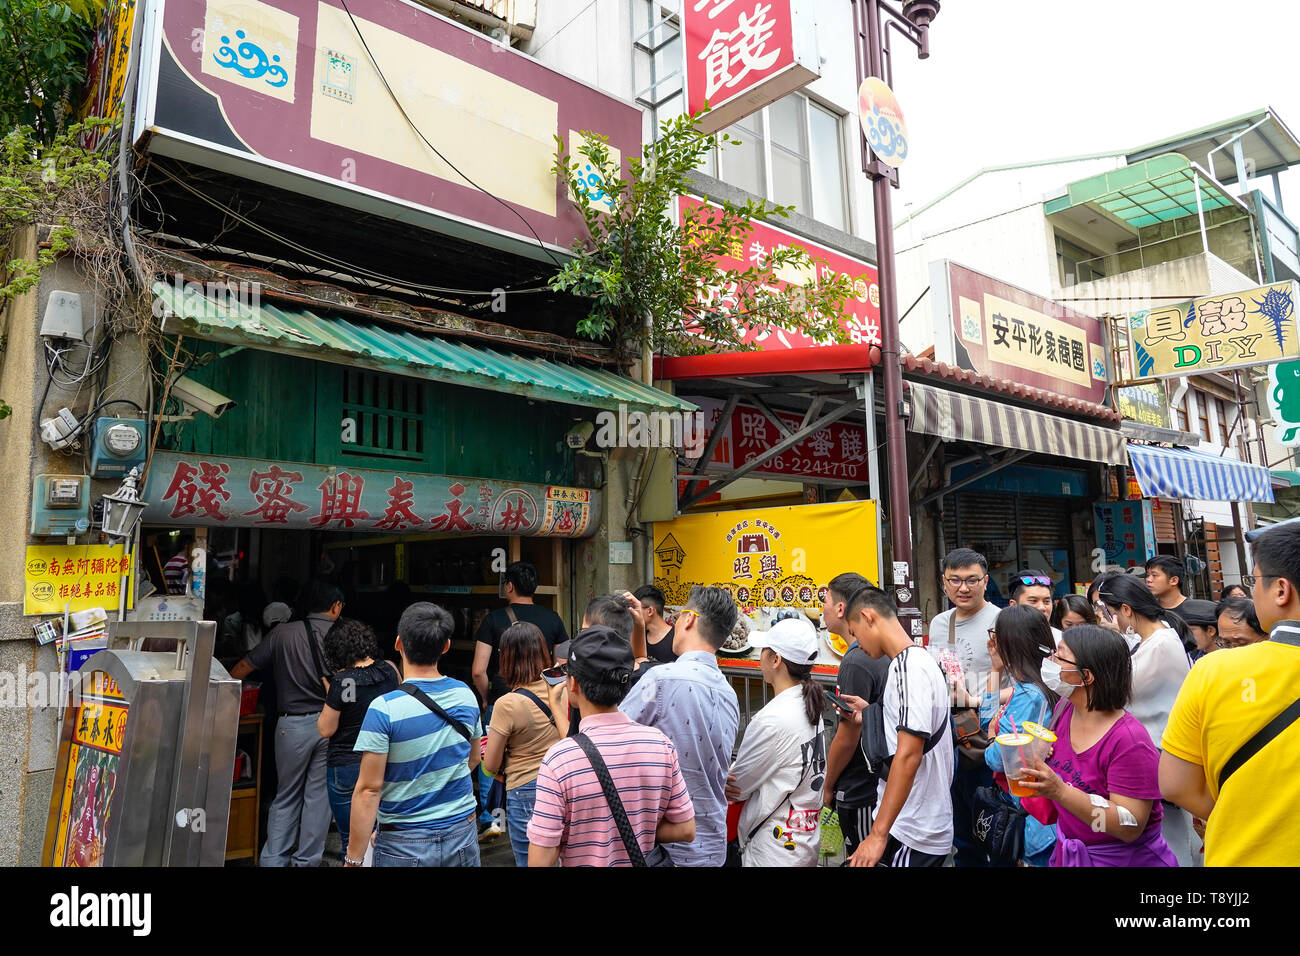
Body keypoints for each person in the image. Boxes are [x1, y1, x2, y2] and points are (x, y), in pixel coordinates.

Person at [1160, 522, 1300, 867]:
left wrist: (1247, 813)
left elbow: (1176, 784)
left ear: (1281, 590)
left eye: (1255, 581)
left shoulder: (1214, 671)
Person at [527, 626, 695, 866]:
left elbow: (540, 861)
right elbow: (685, 829)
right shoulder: (660, 745)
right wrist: (638, 828)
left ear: (572, 683)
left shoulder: (559, 760)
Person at [1018, 626, 1178, 866]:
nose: (1049, 660)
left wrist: (1060, 791)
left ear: (1086, 676)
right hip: (1069, 851)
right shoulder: (1064, 708)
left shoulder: (1128, 741)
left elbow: (1129, 826)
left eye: (1058, 656)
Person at [347, 602, 483, 867]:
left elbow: (368, 790)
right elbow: (475, 757)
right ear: (445, 646)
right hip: (462, 832)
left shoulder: (384, 709)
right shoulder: (466, 695)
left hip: (403, 842)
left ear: (399, 644)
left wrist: (353, 859)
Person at [618, 585, 739, 866]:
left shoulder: (662, 680)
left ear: (689, 619)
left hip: (667, 850)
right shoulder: (728, 692)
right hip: (712, 846)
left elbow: (610, 741)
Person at [837, 585, 953, 867]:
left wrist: (877, 835)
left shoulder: (906, 668)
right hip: (920, 823)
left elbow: (909, 754)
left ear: (868, 617)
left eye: (854, 632)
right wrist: (870, 714)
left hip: (912, 828)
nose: (857, 643)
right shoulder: (918, 660)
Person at [231, 579, 343, 867]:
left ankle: (272, 860)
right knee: (318, 798)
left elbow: (242, 668)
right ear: (336, 606)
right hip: (329, 723)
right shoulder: (341, 635)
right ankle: (307, 861)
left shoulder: (282, 633)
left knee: (287, 795)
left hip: (290, 727)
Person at [1095, 574, 1196, 866]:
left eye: (1111, 612)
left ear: (1126, 609)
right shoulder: (1153, 638)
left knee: (1167, 836)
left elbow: (1119, 692)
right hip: (1157, 750)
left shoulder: (1161, 644)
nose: (1110, 620)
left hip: (1161, 752)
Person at [725, 616, 826, 867]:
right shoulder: (809, 703)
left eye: (764, 650)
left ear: (776, 660)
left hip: (772, 848)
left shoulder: (771, 719)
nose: (760, 656)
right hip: (803, 841)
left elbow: (738, 786)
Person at [928, 547, 999, 867]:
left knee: (996, 821)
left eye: (971, 580)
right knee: (961, 823)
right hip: (952, 734)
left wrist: (978, 701)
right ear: (944, 583)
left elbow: (1021, 682)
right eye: (954, 580)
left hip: (991, 733)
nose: (963, 588)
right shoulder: (941, 623)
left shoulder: (1001, 620)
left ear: (986, 581)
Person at [820, 572, 892, 859]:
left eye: (825, 600)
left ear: (841, 609)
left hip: (861, 787)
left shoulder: (856, 659)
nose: (822, 608)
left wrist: (827, 785)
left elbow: (848, 735)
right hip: (875, 782)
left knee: (862, 857)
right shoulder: (874, 650)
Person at [981, 604, 1059, 866]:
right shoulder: (1042, 684)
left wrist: (993, 739)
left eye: (996, 635)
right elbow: (986, 721)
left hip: (1030, 811)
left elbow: (996, 758)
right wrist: (996, 671)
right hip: (1033, 807)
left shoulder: (1029, 695)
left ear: (1010, 643)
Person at [317, 618, 400, 857]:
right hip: (384, 763)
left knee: (352, 842)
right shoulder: (389, 669)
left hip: (346, 768)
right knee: (384, 837)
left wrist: (330, 693)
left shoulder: (343, 682)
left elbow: (326, 729)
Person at [483, 622, 561, 867]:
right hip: (561, 783)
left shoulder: (507, 704)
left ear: (507, 658)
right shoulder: (562, 689)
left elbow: (491, 765)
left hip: (525, 789)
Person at [472, 561, 569, 706]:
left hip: (503, 697)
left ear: (509, 586)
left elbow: (478, 671)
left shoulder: (493, 619)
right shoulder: (553, 618)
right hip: (542, 700)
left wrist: (486, 698)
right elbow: (561, 667)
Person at [1007, 568, 1063, 644]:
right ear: (1013, 605)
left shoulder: (1063, 641)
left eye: (1046, 601)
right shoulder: (1000, 642)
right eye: (1033, 601)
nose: (1042, 607)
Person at [633, 584, 677, 663]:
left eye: (636, 608)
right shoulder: (638, 638)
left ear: (650, 611)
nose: (633, 613)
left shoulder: (677, 637)